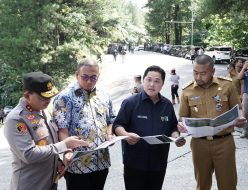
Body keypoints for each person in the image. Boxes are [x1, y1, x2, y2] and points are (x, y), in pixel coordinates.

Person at [4, 71, 88, 190]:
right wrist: (64, 145)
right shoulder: (16, 119)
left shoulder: (43, 111)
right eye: (43, 97)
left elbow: (47, 144)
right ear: (27, 95)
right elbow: (29, 154)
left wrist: (58, 162)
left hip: (50, 183)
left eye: (50, 96)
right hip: (30, 185)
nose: (48, 100)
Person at [178, 55, 246, 190]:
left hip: (224, 143)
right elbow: (182, 118)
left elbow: (239, 110)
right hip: (199, 145)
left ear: (213, 71)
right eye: (195, 73)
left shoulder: (227, 85)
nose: (198, 77)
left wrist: (241, 119)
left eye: (203, 73)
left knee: (228, 185)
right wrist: (181, 126)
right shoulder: (187, 90)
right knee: (202, 185)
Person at [113, 65, 186, 190]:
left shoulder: (167, 105)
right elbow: (117, 125)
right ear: (143, 81)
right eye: (148, 79)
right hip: (134, 163)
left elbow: (173, 127)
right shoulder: (130, 102)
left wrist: (176, 138)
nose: (152, 84)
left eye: (157, 81)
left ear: (162, 84)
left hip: (159, 163)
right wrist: (126, 134)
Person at [52, 58, 116, 190]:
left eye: (93, 77)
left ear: (98, 75)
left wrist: (110, 134)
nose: (89, 81)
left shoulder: (104, 95)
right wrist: (67, 152)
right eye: (85, 77)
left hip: (101, 161)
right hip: (78, 164)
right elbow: (62, 129)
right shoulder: (65, 97)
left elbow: (111, 120)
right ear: (77, 75)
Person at [238, 60, 248, 138]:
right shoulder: (245, 73)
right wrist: (244, 68)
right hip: (247, 95)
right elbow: (239, 77)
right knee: (245, 114)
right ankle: (245, 131)